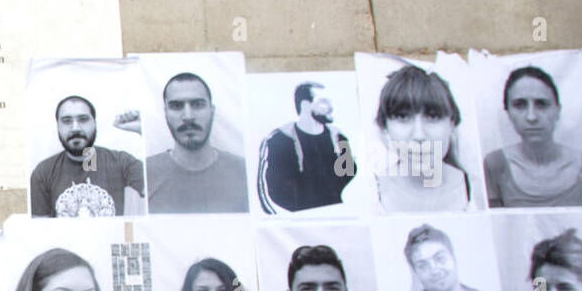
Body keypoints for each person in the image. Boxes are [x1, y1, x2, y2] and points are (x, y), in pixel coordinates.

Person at [137, 73, 249, 213]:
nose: (188, 116)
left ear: (212, 111)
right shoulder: (142, 173)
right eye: (176, 106)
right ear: (165, 113)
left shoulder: (244, 172)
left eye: (197, 105)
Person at [484, 66, 582, 208]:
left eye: (542, 104)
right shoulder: (495, 165)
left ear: (557, 111)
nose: (531, 117)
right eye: (519, 105)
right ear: (508, 113)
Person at [373, 64, 472, 212]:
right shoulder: (368, 195)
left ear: (452, 124)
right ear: (384, 128)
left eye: (433, 116)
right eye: (403, 116)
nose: (419, 135)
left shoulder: (477, 190)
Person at [29, 96, 144, 217]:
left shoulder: (121, 162)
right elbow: (39, 231)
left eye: (83, 119)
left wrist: (142, 129)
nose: (75, 128)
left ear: (94, 123)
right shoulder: (43, 172)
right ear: (58, 126)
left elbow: (156, 190)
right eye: (67, 121)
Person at [257, 81, 356, 212]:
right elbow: (266, 194)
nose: (331, 107)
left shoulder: (339, 138)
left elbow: (350, 178)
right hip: (295, 225)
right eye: (324, 102)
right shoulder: (279, 140)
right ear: (305, 105)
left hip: (337, 222)